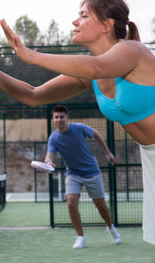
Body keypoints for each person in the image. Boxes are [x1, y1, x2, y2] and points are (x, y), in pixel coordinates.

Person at [0, 0, 155, 263]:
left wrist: (30, 56)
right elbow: (32, 95)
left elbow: (96, 66)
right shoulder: (87, 74)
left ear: (106, 24)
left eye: (84, 15)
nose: (75, 21)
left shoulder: (132, 51)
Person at [45, 105, 120, 249]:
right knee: (71, 203)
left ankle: (111, 227)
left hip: (92, 171)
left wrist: (108, 153)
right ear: (53, 119)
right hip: (73, 174)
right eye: (56, 117)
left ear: (67, 117)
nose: (59, 119)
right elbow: (49, 155)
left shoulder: (79, 128)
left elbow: (96, 134)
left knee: (100, 205)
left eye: (62, 116)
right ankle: (81, 238)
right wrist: (48, 162)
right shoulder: (53, 138)